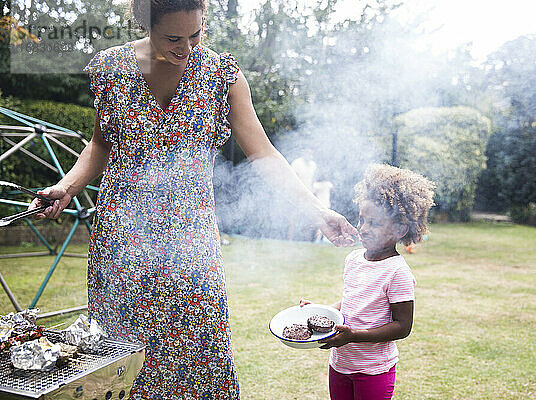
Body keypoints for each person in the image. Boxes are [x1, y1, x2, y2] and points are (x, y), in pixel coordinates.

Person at [28, 1, 356, 398]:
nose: (186, 47)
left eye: (196, 34)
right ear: (145, 23)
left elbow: (263, 153)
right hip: (121, 242)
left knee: (202, 353)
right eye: (172, 38)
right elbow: (100, 144)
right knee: (124, 361)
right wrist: (67, 186)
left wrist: (315, 209)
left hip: (191, 242)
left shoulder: (221, 75)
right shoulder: (111, 68)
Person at [301, 164, 435, 400]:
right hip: (340, 363)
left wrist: (354, 336)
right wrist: (321, 312)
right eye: (362, 220)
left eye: (374, 223)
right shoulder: (353, 259)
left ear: (400, 229)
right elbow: (352, 301)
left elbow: (403, 327)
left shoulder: (397, 272)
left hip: (373, 370)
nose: (363, 228)